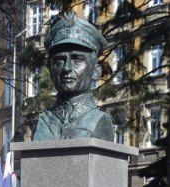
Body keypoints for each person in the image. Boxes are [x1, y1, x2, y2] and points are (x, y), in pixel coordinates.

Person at [33, 12, 114, 142]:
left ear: (95, 71)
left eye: (77, 60)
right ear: (50, 69)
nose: (66, 68)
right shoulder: (44, 122)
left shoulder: (99, 121)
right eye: (59, 60)